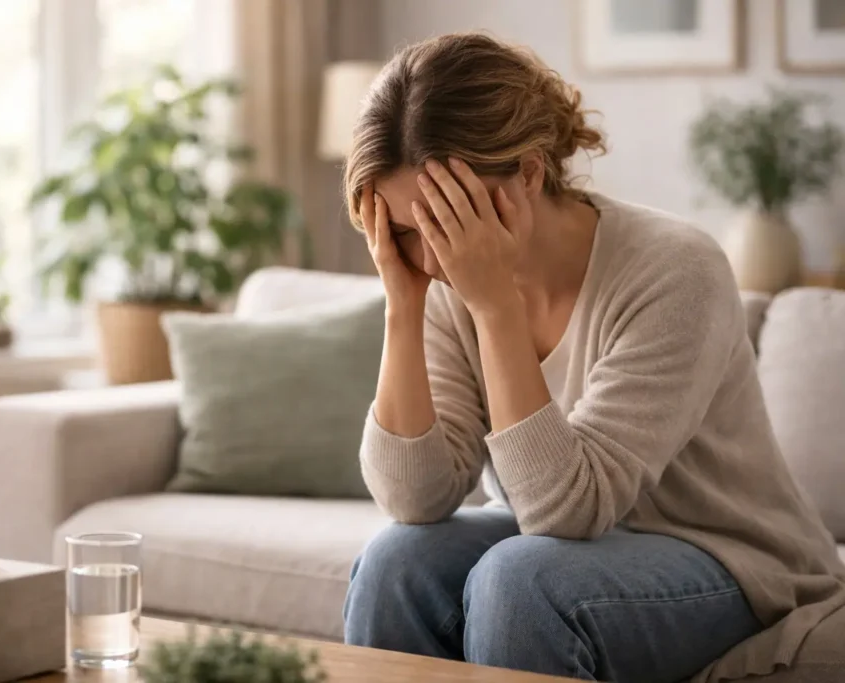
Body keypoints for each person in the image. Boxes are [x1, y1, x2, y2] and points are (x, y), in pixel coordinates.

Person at [341, 32, 845, 683]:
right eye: (408, 233)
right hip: (574, 548)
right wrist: (402, 308)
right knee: (395, 561)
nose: (434, 258)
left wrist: (496, 309)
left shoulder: (674, 269)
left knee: (522, 581)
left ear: (525, 171)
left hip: (732, 555)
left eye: (450, 220)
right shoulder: (440, 280)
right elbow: (415, 498)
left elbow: (566, 511)